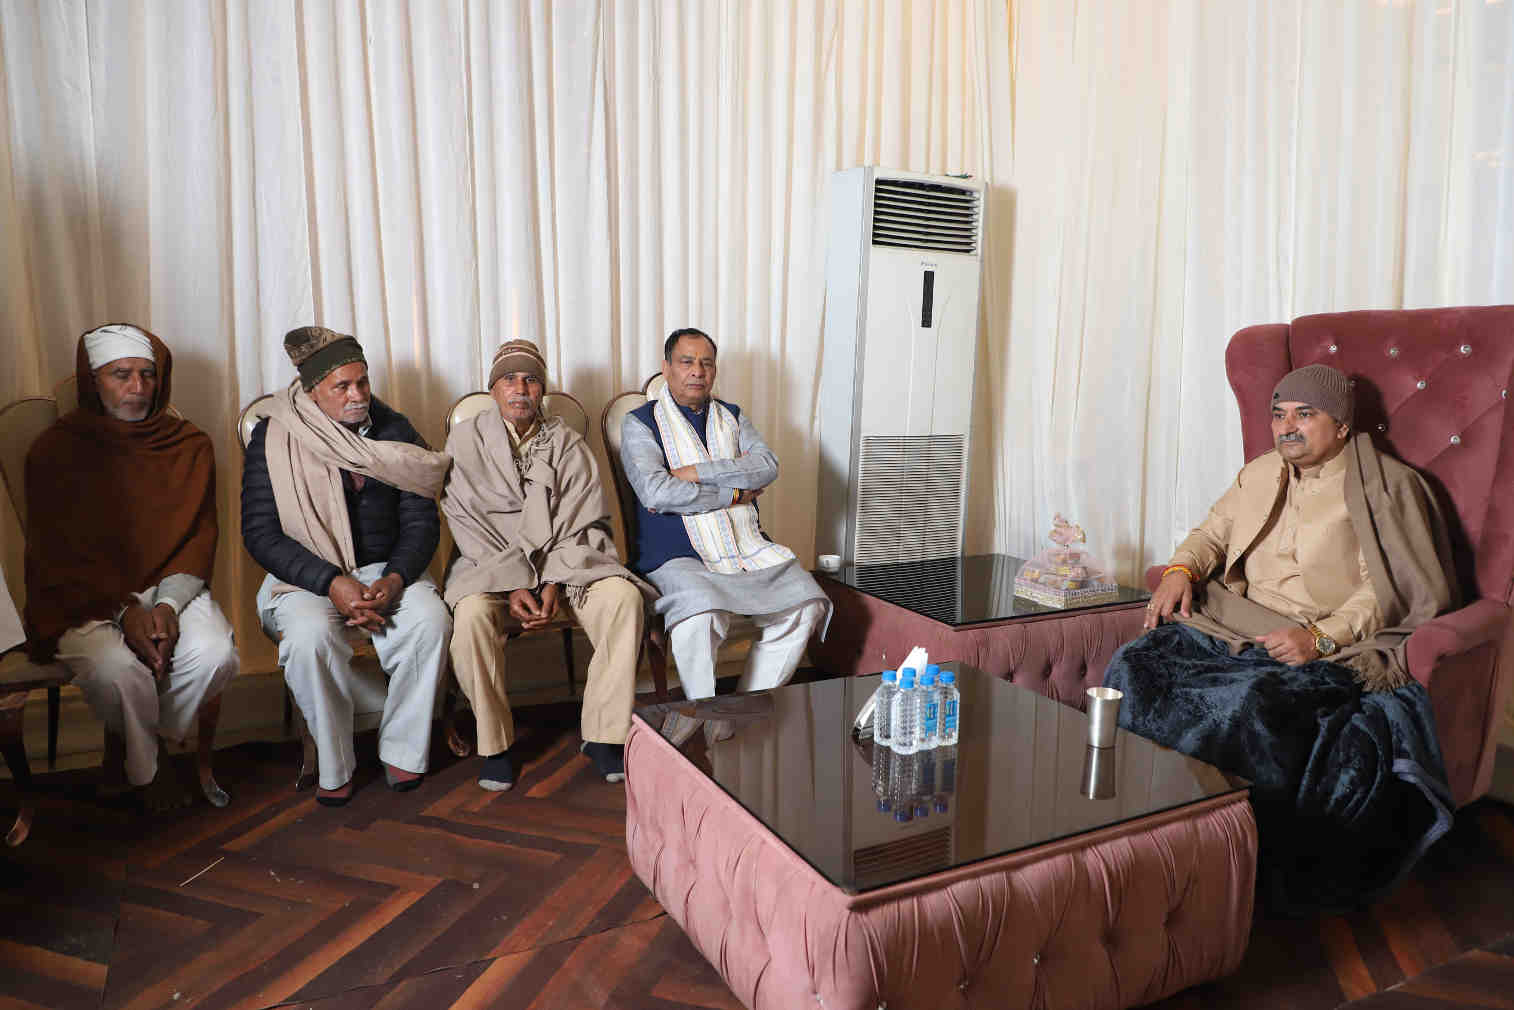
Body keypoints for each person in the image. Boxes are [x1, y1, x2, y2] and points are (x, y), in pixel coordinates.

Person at [1104, 363, 1459, 909]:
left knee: (1245, 707)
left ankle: (1221, 864)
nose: (1286, 426)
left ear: (1342, 425)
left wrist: (1319, 638)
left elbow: (1387, 590)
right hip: (1232, 621)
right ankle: (1127, 836)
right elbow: (1211, 534)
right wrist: (1180, 570)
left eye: (1304, 414)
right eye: (1278, 414)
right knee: (1133, 664)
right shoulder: (1259, 473)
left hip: (1325, 642)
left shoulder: (1387, 487)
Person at [24, 324, 238, 809]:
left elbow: (199, 537)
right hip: (83, 595)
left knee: (216, 654)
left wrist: (166, 606)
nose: (138, 387)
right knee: (117, 668)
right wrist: (125, 611)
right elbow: (56, 554)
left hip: (173, 586)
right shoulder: (54, 451)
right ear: (93, 380)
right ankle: (149, 771)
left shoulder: (189, 444)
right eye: (121, 375)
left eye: (147, 374)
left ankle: (137, 745)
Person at [242, 326, 451, 806]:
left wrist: (396, 578)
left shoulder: (395, 429)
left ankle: (402, 748)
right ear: (313, 391)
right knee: (309, 637)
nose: (357, 395)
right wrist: (330, 581)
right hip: (304, 578)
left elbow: (421, 522)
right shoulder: (273, 437)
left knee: (430, 620)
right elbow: (260, 533)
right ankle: (335, 763)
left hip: (386, 571)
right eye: (343, 386)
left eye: (362, 382)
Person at [443, 340, 653, 790]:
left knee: (623, 597)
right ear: (493, 389)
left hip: (567, 565)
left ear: (542, 390)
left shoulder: (568, 443)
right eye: (509, 379)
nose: (520, 389)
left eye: (531, 380)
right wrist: (515, 583)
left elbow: (583, 520)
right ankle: (495, 744)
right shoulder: (465, 441)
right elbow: (465, 523)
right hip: (491, 567)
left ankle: (603, 735)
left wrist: (554, 581)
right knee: (472, 615)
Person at [619, 328, 829, 741]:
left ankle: (735, 711)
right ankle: (703, 709)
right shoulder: (639, 423)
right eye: (686, 362)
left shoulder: (732, 416)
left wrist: (694, 473)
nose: (697, 371)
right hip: (676, 554)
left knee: (806, 604)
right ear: (666, 368)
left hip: (744, 545)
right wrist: (731, 492)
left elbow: (766, 466)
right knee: (701, 614)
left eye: (706, 363)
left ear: (714, 371)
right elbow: (656, 491)